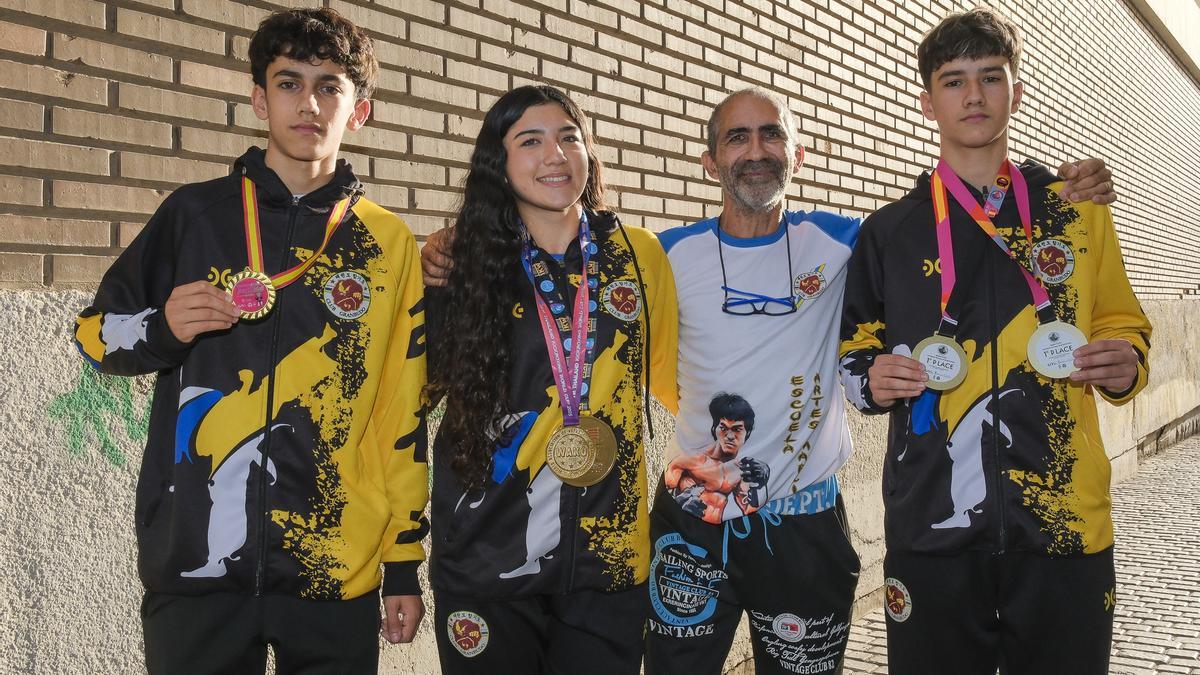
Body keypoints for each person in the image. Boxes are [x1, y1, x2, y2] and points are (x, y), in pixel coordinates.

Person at [423, 85, 1117, 673]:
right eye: (736, 139)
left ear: (797, 152)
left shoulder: (850, 242)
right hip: (690, 523)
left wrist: (1043, 188)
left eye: (771, 135)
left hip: (805, 527)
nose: (755, 151)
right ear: (708, 160)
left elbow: (955, 225)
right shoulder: (658, 258)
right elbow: (642, 364)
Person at [72, 8, 427, 673]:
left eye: (331, 87)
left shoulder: (387, 242)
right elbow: (94, 334)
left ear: (360, 112)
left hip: (333, 568)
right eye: (290, 83)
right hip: (197, 565)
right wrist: (161, 328)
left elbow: (400, 412)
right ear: (259, 99)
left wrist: (403, 558)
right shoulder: (193, 215)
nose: (310, 103)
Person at [838, 8, 1151, 675]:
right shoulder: (891, 230)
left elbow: (1122, 322)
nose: (973, 96)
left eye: (990, 77)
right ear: (928, 102)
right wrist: (871, 379)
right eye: (954, 81)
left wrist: (1124, 364)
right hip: (933, 529)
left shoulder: (1077, 210)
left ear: (1017, 89)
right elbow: (855, 351)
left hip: (1065, 526)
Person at [422, 85, 678, 674]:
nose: (554, 154)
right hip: (489, 556)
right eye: (530, 141)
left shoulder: (638, 254)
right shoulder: (464, 261)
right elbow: (408, 401)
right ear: (500, 162)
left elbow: (673, 377)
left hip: (607, 560)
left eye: (569, 136)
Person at [664, 393, 770, 524]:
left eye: (737, 429)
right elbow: (666, 491)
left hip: (716, 539)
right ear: (714, 429)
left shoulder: (742, 470)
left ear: (747, 433)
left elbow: (751, 509)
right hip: (685, 529)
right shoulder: (691, 460)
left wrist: (760, 484)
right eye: (724, 428)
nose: (730, 436)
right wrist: (680, 499)